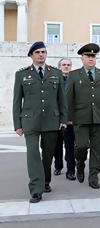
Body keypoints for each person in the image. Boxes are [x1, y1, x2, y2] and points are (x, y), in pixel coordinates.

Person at [13, 41, 67, 203]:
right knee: (33, 154)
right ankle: (36, 189)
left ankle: (45, 181)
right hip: (30, 121)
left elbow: (61, 99)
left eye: (43, 52)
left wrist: (63, 119)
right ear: (31, 55)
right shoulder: (21, 74)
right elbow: (17, 101)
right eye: (37, 52)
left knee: (48, 154)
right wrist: (17, 124)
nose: (41, 55)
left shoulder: (56, 73)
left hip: (52, 120)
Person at [66, 43, 100, 189]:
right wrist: (68, 117)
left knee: (97, 149)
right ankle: (80, 165)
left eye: (93, 56)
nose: (91, 59)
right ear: (82, 58)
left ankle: (93, 176)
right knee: (81, 146)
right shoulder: (74, 75)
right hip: (80, 118)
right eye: (88, 56)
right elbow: (68, 97)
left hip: (99, 117)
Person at [53, 58, 76, 180]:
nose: (66, 67)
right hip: (57, 119)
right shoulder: (54, 80)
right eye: (64, 65)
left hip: (70, 120)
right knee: (57, 146)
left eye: (68, 65)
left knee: (70, 146)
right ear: (59, 67)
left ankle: (71, 171)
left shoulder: (75, 80)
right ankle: (58, 166)